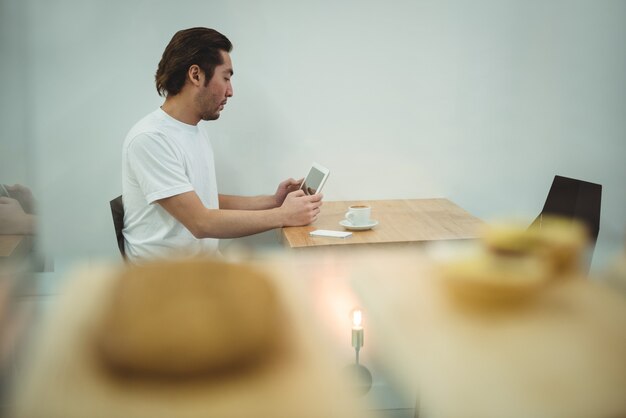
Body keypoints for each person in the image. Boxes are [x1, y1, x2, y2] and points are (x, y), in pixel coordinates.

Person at [122, 28, 323, 261]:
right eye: (226, 77)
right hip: (168, 282)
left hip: (203, 268)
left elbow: (205, 200)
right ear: (196, 75)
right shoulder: (150, 139)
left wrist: (273, 201)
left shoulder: (193, 130)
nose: (230, 91)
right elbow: (201, 222)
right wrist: (284, 215)